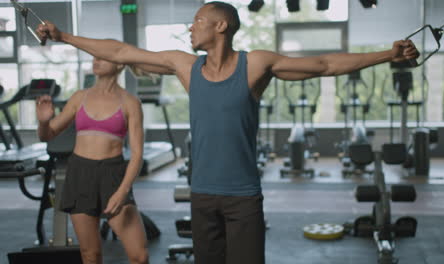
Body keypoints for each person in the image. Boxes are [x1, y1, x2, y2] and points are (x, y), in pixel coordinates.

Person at [36, 1, 419, 263]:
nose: (191, 26)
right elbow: (119, 52)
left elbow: (323, 64)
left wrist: (388, 54)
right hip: (202, 195)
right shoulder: (185, 66)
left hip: (242, 199)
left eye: (198, 20)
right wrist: (64, 36)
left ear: (220, 25)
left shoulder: (255, 65)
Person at [35, 57, 149, 264]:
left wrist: (123, 191)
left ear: (119, 63)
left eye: (103, 56)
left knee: (139, 256)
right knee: (90, 255)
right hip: (80, 172)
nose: (96, 60)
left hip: (113, 174)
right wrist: (43, 122)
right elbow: (47, 135)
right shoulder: (80, 97)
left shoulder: (130, 102)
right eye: (94, 56)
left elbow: (137, 155)